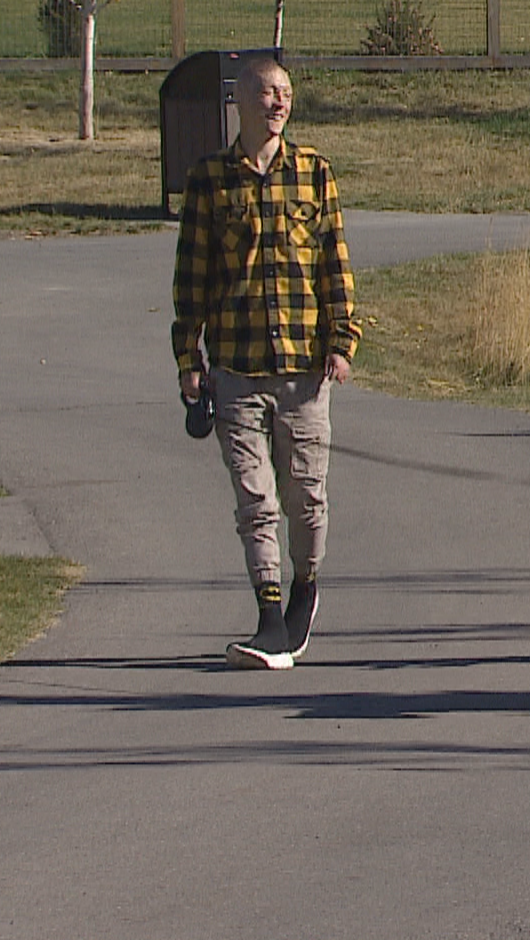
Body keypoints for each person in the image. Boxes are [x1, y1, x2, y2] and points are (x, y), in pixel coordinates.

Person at [172, 54, 360, 671]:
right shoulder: (209, 179)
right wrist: (188, 361)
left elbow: (335, 262)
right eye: (265, 92)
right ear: (241, 102)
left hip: (304, 371)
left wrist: (342, 341)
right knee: (256, 500)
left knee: (305, 497)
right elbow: (191, 278)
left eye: (284, 92)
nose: (277, 102)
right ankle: (269, 617)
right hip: (234, 370)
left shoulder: (314, 174)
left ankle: (305, 586)